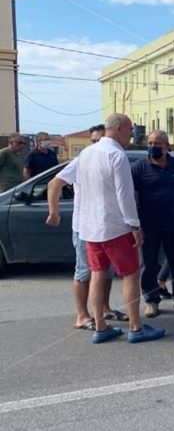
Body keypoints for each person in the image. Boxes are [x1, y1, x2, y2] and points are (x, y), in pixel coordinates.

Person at [47, 114, 164, 343]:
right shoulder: (116, 155)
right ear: (118, 128)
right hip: (114, 226)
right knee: (130, 274)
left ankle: (100, 326)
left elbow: (58, 182)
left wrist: (54, 212)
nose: (132, 134)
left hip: (90, 228)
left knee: (98, 274)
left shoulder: (86, 154)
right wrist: (134, 225)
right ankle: (136, 328)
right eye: (130, 129)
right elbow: (125, 195)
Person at [47, 126, 126, 331]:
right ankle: (82, 315)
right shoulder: (83, 159)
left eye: (99, 140)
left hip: (106, 225)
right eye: (93, 141)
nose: (96, 145)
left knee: (105, 272)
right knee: (85, 271)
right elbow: (54, 184)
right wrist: (54, 212)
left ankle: (105, 309)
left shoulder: (109, 156)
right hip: (85, 226)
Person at [132, 130, 174, 318]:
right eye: (150, 143)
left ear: (166, 146)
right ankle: (152, 301)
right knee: (149, 264)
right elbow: (133, 195)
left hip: (173, 222)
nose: (153, 146)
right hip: (148, 224)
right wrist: (135, 223)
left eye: (157, 143)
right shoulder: (139, 167)